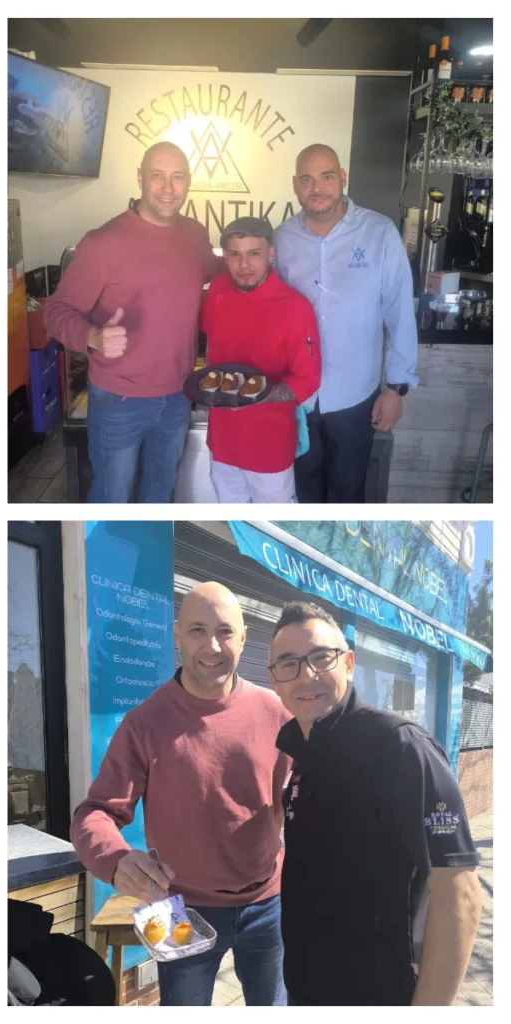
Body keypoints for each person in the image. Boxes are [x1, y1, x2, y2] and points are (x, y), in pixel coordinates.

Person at [70, 582, 292, 1006]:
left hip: (269, 903)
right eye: (197, 630)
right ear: (176, 635)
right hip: (177, 908)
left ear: (244, 639)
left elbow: (309, 796)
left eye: (225, 631)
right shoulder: (144, 723)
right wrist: (115, 861)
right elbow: (93, 814)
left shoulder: (277, 714)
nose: (212, 645)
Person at [268, 601, 483, 1005]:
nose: (306, 674)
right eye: (288, 664)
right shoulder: (302, 755)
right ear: (274, 681)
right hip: (306, 991)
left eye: (320, 657)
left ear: (348, 663)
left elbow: (462, 894)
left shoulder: (400, 747)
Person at [43, 141, 220, 503]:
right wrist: (93, 336)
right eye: (158, 176)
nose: (168, 188)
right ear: (140, 178)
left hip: (176, 398)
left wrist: (256, 259)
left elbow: (216, 273)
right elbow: (55, 312)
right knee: (112, 499)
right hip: (119, 402)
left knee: (160, 495)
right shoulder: (102, 243)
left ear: (188, 182)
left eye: (178, 177)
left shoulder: (195, 235)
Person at [273, 143, 418, 503]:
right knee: (300, 494)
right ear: (295, 184)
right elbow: (270, 313)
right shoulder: (281, 238)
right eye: (307, 179)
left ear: (342, 177)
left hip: (357, 396)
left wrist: (396, 388)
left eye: (326, 177)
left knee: (348, 495)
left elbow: (399, 312)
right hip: (298, 397)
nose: (316, 187)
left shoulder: (379, 233)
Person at [202, 217, 321, 503]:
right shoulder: (217, 291)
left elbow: (308, 380)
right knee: (232, 527)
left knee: (274, 526)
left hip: (269, 449)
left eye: (254, 253)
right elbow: (210, 345)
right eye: (235, 255)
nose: (244, 265)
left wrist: (259, 394)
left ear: (270, 253)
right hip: (222, 442)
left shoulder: (294, 307)